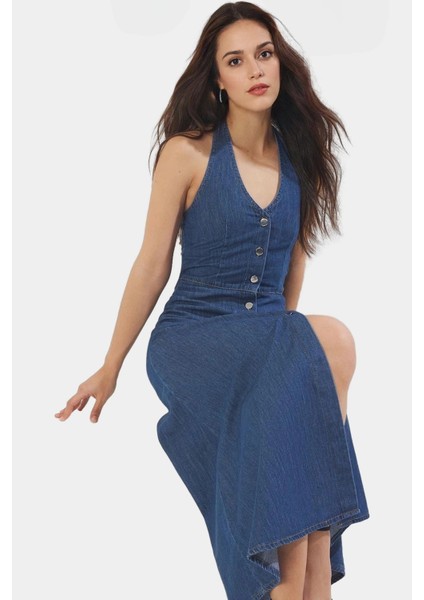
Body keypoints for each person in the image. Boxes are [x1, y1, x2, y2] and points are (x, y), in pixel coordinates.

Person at [54, 2, 370, 599]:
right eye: (236, 60)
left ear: (280, 63)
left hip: (264, 341)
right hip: (193, 338)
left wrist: (286, 363)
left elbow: (292, 267)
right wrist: (111, 365)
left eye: (264, 54)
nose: (255, 69)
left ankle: (299, 585)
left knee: (322, 356)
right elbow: (152, 265)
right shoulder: (188, 153)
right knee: (329, 339)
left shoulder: (300, 157)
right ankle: (302, 584)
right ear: (218, 79)